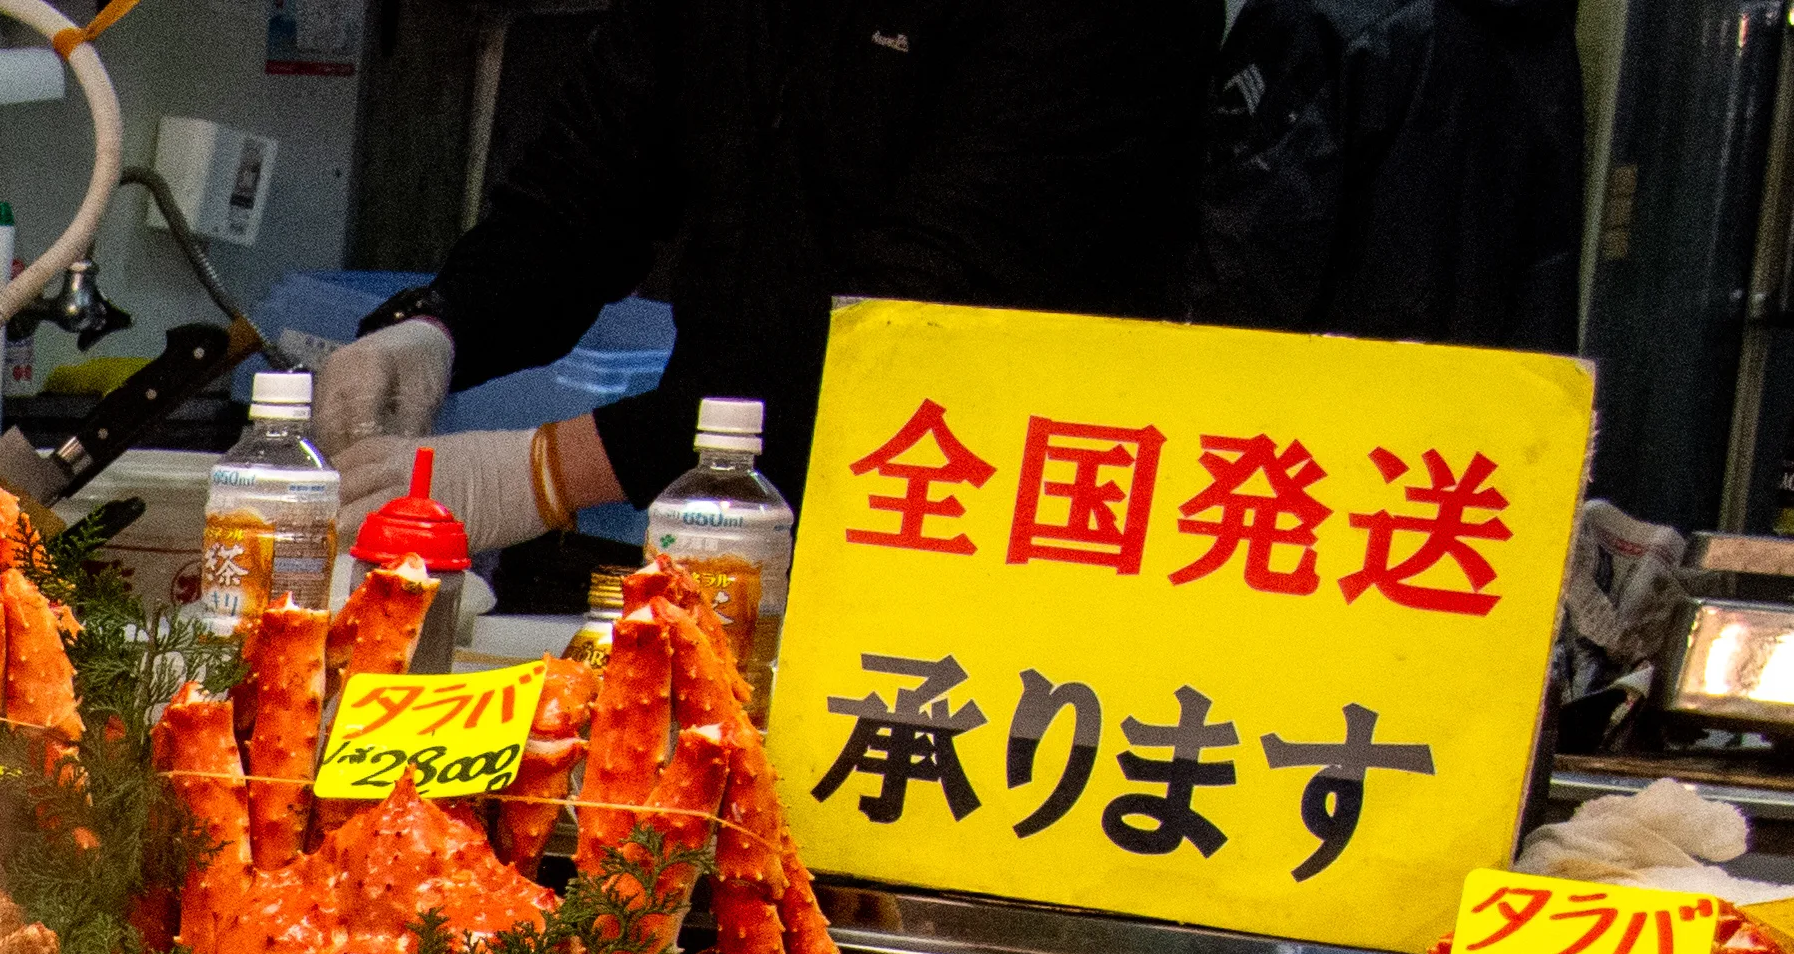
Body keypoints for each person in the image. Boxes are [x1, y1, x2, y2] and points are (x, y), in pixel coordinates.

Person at [311, 0, 1221, 557]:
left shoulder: (1102, 18)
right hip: (720, 532)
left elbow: (909, 343)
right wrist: (438, 325)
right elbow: (583, 193)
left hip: (977, 535)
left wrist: (537, 472)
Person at [1187, 0, 1588, 352]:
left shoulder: (1319, 15)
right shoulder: (1542, 30)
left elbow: (1247, 269)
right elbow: (1545, 273)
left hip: (1315, 408)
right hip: (1475, 416)